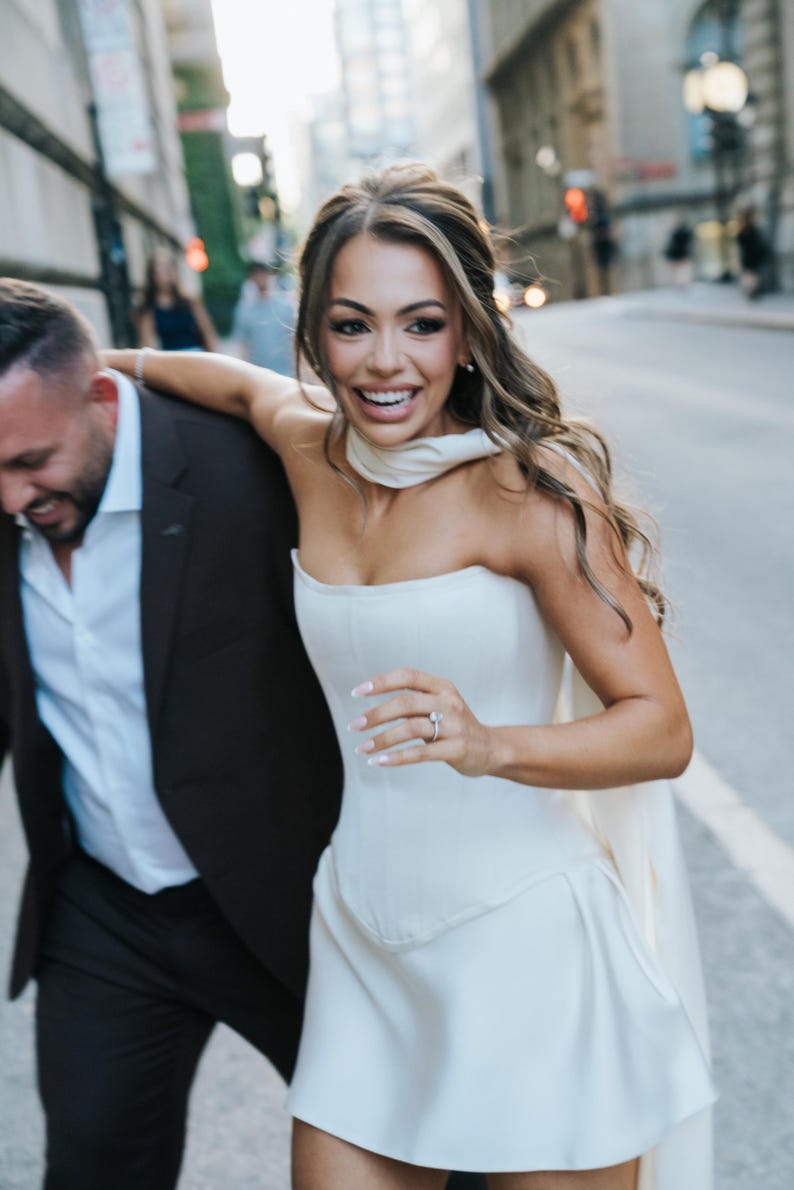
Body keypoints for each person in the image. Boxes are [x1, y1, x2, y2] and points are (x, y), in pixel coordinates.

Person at [106, 163, 717, 1190]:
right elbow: (212, 377)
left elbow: (659, 727)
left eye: (420, 324)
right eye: (350, 325)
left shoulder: (527, 491)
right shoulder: (308, 446)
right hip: (361, 938)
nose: (383, 361)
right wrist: (93, 360)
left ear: (467, 332)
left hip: (527, 951)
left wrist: (490, 743)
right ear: (311, 329)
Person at [0, 276, 343, 1189]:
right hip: (103, 916)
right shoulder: (9, 494)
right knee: (91, 1169)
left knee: (418, 1156)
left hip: (287, 907)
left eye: (32, 460)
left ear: (102, 398)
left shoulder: (252, 474)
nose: (10, 497)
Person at [137, 246, 218, 351]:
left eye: (167, 269)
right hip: (170, 359)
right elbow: (148, 343)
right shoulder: (148, 308)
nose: (164, 275)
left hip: (195, 355)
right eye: (159, 270)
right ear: (152, 275)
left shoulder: (190, 301)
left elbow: (208, 332)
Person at [232, 259, 296, 375]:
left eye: (262, 273)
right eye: (255, 273)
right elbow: (242, 344)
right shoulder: (245, 310)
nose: (259, 277)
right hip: (259, 374)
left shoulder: (286, 306)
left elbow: (294, 339)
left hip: (286, 373)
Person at [735, 206, 768, 300]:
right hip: (751, 257)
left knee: (750, 276)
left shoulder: (745, 230)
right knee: (752, 276)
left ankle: (751, 291)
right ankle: (751, 292)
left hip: (749, 257)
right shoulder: (751, 230)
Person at [663, 216, 694, 287]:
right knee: (679, 271)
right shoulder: (676, 233)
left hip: (681, 254)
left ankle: (682, 283)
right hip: (678, 255)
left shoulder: (681, 232)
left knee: (683, 270)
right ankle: (681, 284)